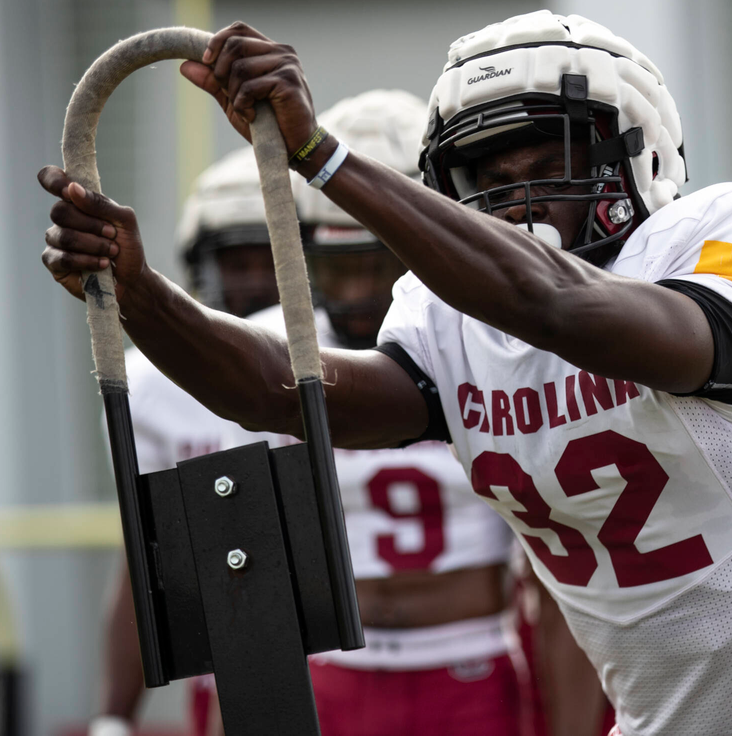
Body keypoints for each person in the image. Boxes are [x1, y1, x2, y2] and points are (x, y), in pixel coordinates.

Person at [42, 11, 732, 736]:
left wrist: (326, 158)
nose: (523, 202)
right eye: (491, 181)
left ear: (638, 154)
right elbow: (285, 391)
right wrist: (140, 292)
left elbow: (563, 309)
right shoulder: (445, 314)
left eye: (551, 167)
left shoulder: (726, 233)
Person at [212, 90, 521, 736]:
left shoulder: (486, 339)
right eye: (336, 267)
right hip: (326, 668)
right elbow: (237, 563)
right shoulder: (267, 353)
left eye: (376, 265)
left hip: (472, 658)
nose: (355, 296)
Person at [88, 147, 281, 736]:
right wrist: (115, 715)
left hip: (343, 654)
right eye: (233, 262)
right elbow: (146, 556)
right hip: (226, 666)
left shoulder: (337, 362)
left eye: (264, 260)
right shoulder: (150, 386)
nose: (250, 281)